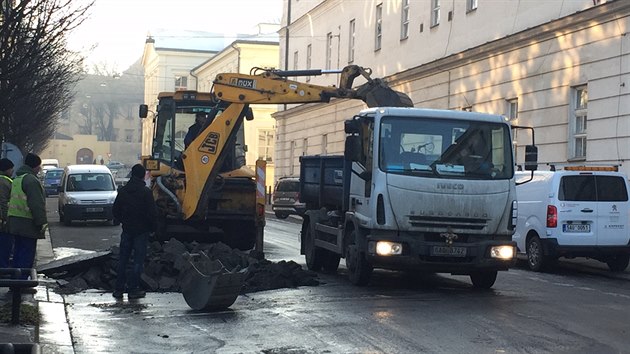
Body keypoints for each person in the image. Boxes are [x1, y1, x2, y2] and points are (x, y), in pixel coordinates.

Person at [112, 163, 157, 299]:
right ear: (143, 175)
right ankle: (133, 289)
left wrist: (122, 220)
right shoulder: (146, 193)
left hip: (127, 230)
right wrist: (153, 228)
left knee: (123, 259)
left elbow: (115, 210)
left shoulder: (123, 191)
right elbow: (152, 213)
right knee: (138, 261)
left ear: (132, 174)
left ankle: (119, 289)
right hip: (141, 231)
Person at [7, 153, 47, 273]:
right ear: (36, 166)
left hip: (15, 222)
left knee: (17, 254)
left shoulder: (17, 178)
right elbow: (36, 204)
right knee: (26, 255)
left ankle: (15, 282)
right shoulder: (31, 180)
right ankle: (23, 282)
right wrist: (41, 223)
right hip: (27, 223)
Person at [0, 158, 15, 267]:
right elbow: (4, 202)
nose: (12, 171)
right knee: (5, 246)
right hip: (3, 222)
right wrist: (6, 219)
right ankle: (3, 269)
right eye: (11, 169)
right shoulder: (5, 182)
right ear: (6, 169)